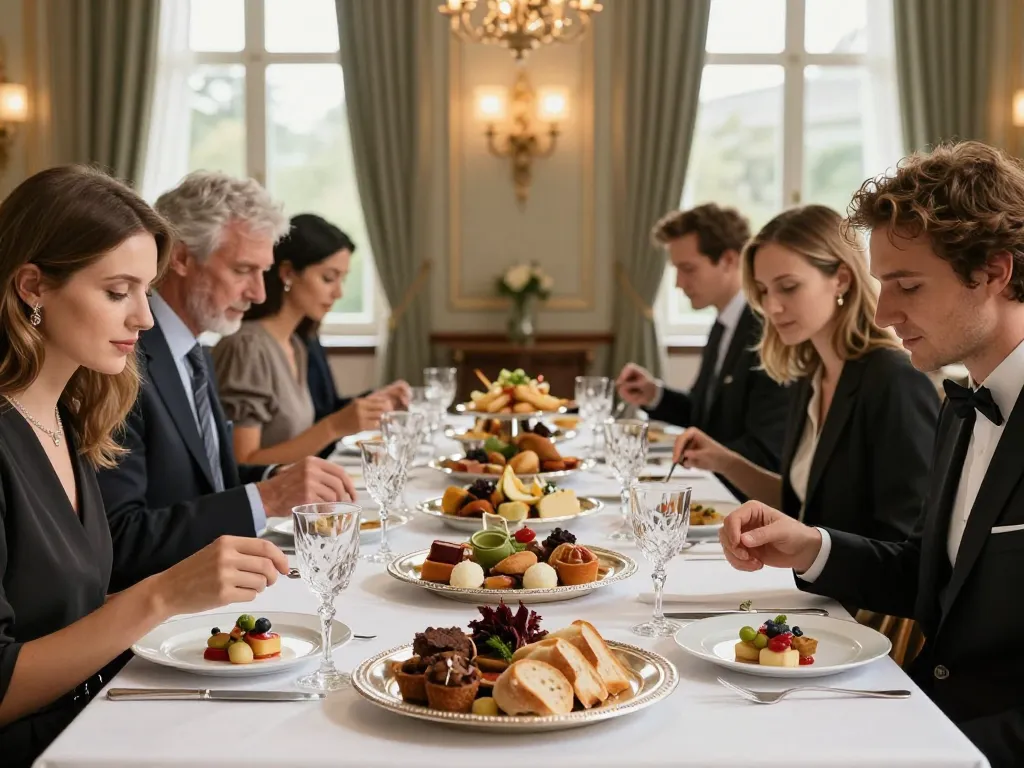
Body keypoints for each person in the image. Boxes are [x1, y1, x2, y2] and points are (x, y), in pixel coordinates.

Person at [718, 141, 1024, 767]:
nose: (884, 312)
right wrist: (812, 546)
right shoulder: (963, 406)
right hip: (918, 713)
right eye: (883, 284)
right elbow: (928, 576)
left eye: (907, 284)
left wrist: (936, 752)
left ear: (994, 272)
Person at [0, 166, 289, 768]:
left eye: (145, 289)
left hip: (101, 718)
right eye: (117, 291)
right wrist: (162, 597)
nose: (146, 318)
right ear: (33, 286)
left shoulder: (71, 420)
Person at [96, 173, 356, 592]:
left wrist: (277, 477)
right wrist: (267, 498)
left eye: (263, 272)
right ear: (180, 258)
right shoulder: (122, 358)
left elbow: (208, 481)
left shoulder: (194, 349)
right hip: (158, 613)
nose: (257, 293)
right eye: (243, 270)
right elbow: (120, 539)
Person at [672, 205, 938, 542]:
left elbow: (908, 543)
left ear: (840, 279)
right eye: (764, 290)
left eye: (788, 287)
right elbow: (802, 504)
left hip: (854, 594)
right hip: (812, 584)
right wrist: (725, 462)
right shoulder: (809, 375)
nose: (771, 307)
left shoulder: (893, 381)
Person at [211, 213, 409, 465]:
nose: (338, 292)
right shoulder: (247, 347)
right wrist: (333, 427)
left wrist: (371, 404)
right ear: (288, 273)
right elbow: (243, 462)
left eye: (342, 279)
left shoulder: (296, 344)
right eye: (328, 278)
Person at [616, 203, 791, 475]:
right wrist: (655, 394)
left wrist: (693, 457)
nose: (678, 283)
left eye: (688, 269)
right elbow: (703, 415)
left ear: (729, 261)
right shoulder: (723, 324)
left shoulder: (769, 331)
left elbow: (766, 449)